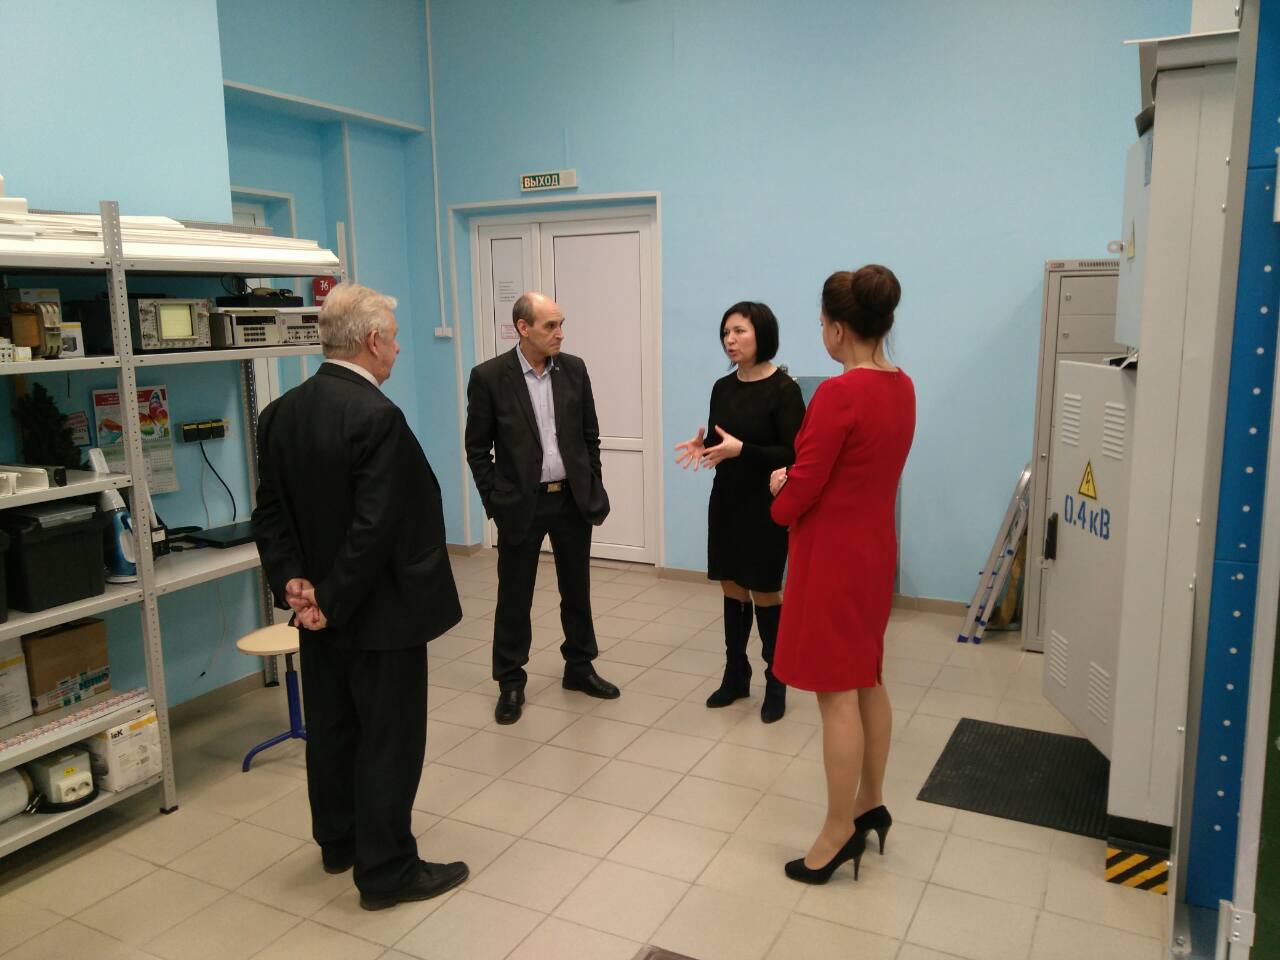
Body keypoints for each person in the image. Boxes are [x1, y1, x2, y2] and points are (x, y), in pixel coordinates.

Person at [252, 282, 469, 911]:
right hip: (377, 614)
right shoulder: (377, 416)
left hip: (317, 613)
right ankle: (387, 869)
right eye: (394, 339)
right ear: (373, 341)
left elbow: (271, 514)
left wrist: (295, 584)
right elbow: (376, 528)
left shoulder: (279, 413)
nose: (398, 350)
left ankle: (340, 840)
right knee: (388, 740)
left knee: (333, 729)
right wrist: (332, 598)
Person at [767, 265, 915, 884]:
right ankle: (869, 801)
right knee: (868, 677)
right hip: (875, 552)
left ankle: (836, 832)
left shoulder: (838, 394)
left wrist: (779, 489)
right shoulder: (903, 386)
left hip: (831, 558)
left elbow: (800, 491)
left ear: (836, 329)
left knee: (836, 696)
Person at [465, 291, 619, 725]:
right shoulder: (489, 377)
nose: (560, 333)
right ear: (523, 328)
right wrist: (496, 501)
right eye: (550, 325)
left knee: (577, 589)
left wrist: (592, 483)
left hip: (570, 498)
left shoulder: (574, 369)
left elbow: (589, 436)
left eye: (561, 323)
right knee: (515, 596)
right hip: (521, 503)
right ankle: (510, 681)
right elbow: (477, 449)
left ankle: (579, 666)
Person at [674, 302, 805, 723]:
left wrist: (742, 450)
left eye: (739, 331)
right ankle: (736, 674)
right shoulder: (722, 387)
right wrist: (705, 446)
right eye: (725, 333)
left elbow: (793, 454)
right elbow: (722, 441)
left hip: (766, 504)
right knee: (731, 584)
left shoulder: (784, 390)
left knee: (764, 588)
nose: (729, 340)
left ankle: (776, 680)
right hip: (727, 498)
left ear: (762, 334)